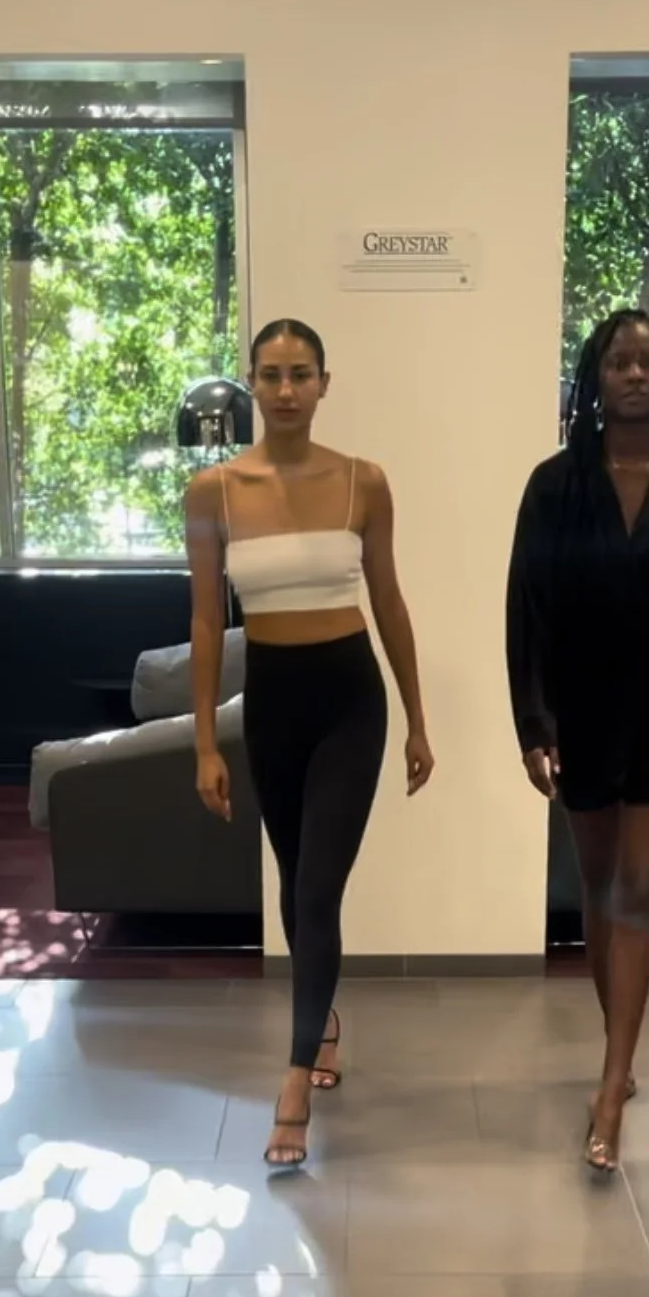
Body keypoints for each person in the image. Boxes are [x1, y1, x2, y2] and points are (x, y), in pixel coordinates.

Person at [187, 318, 434, 1169]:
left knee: (320, 886)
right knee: (295, 886)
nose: (286, 389)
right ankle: (320, 1019)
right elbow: (205, 620)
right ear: (252, 385)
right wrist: (204, 743)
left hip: (349, 702)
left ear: (325, 383)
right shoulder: (214, 492)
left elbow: (389, 600)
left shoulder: (365, 481)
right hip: (273, 704)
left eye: (301, 374)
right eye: (271, 374)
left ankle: (295, 1078)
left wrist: (417, 716)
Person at [506, 308, 649, 1175]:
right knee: (600, 893)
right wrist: (533, 726)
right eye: (619, 361)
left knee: (637, 894)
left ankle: (610, 1085)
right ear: (595, 377)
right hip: (583, 714)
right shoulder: (554, 485)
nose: (635, 373)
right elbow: (525, 611)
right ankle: (619, 1051)